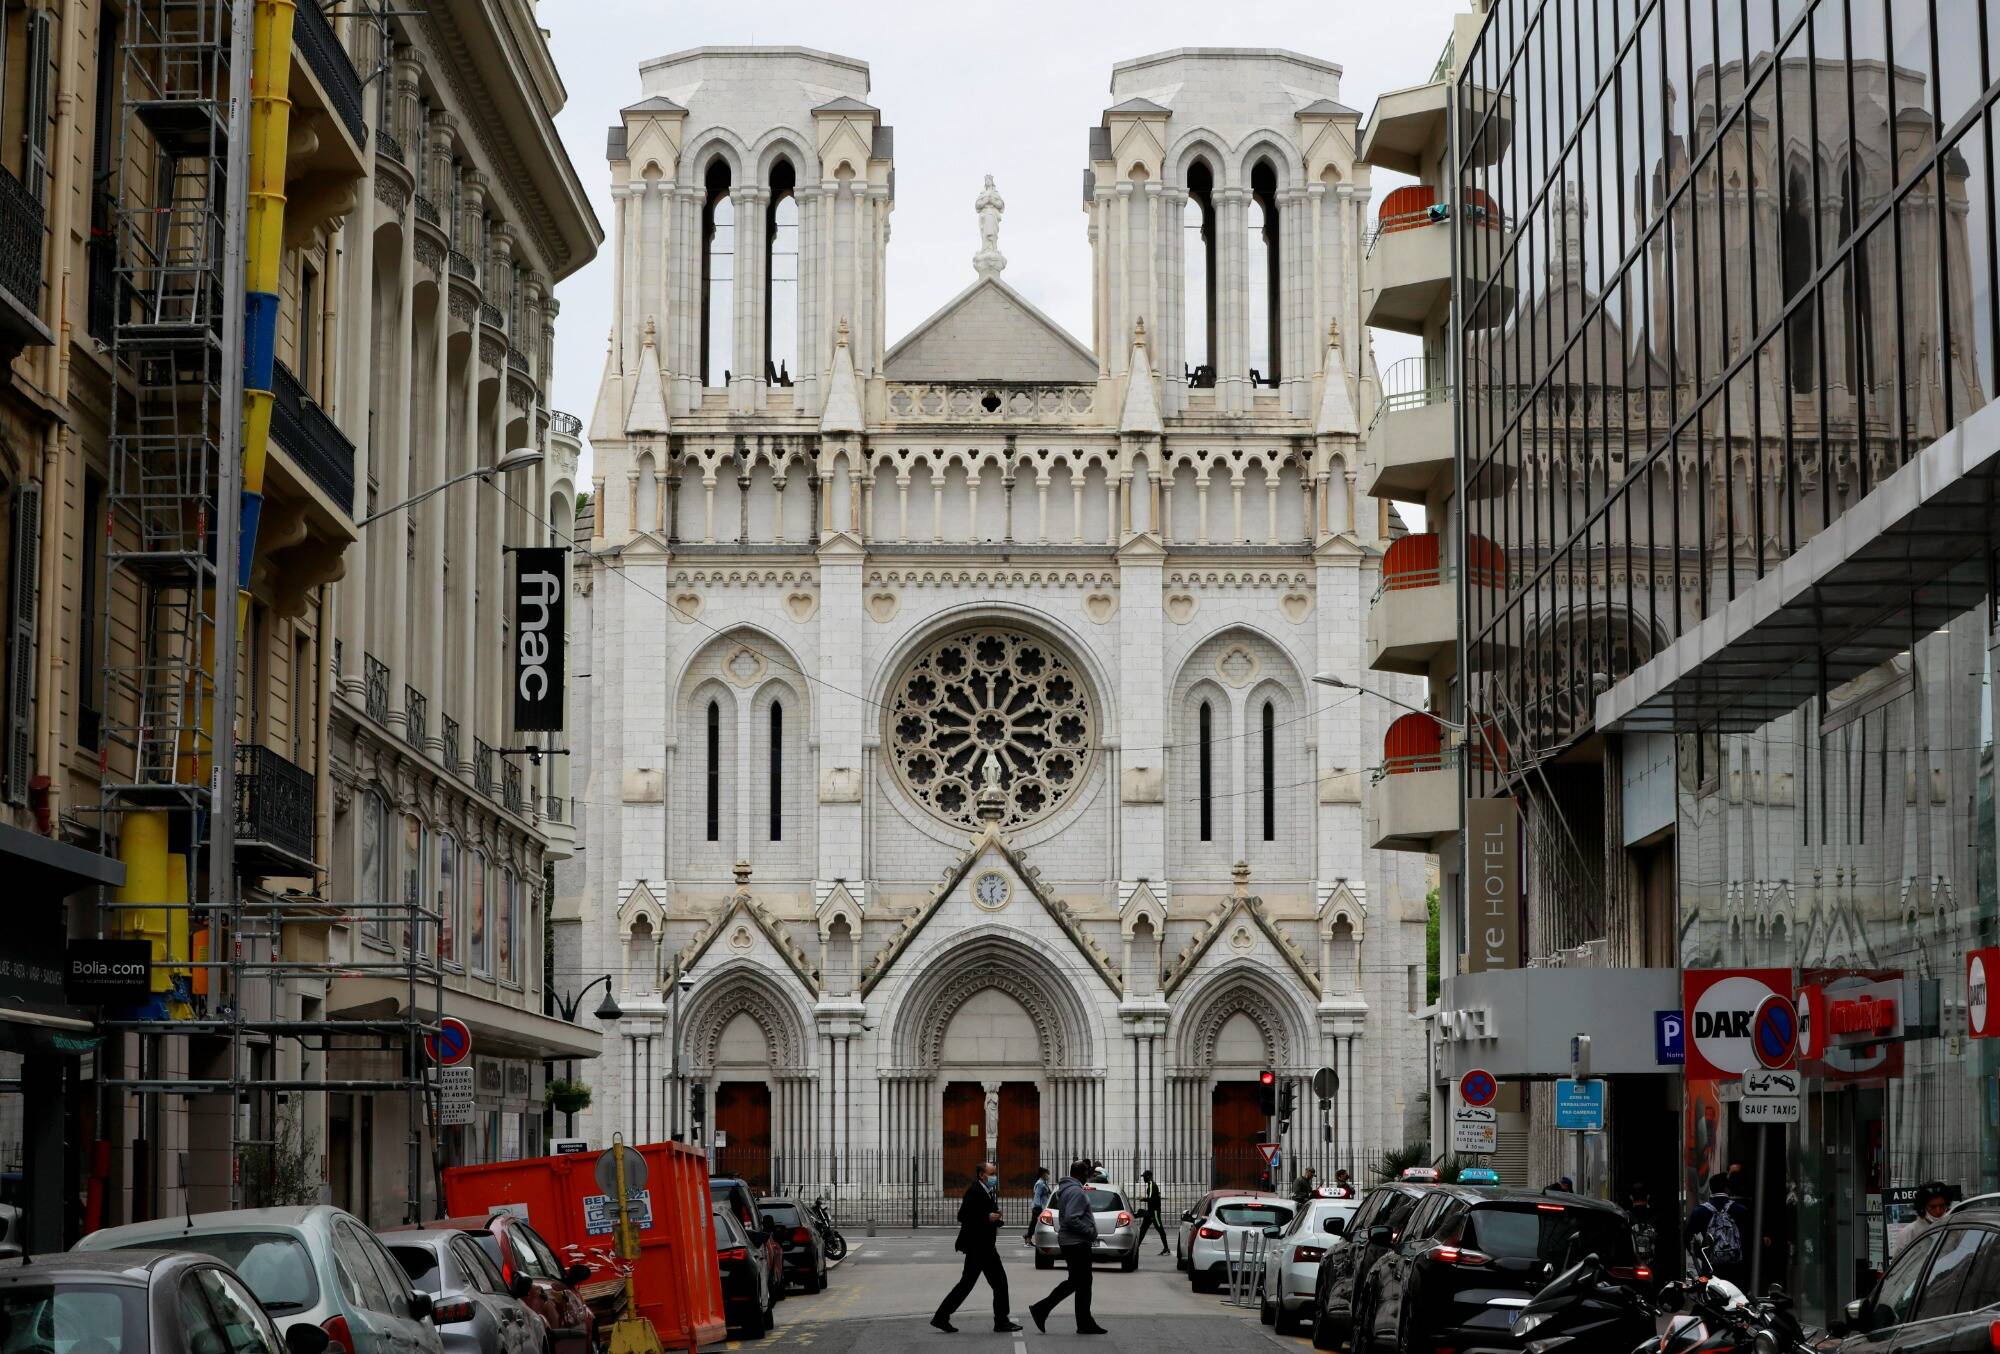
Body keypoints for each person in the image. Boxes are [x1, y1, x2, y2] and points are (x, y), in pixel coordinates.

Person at [933, 1162, 1022, 1334]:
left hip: (983, 1246)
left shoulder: (985, 1191)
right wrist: (987, 1217)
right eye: (992, 1174)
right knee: (997, 1283)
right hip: (980, 1247)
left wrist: (995, 1218)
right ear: (982, 1175)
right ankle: (1001, 1321)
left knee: (970, 1284)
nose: (995, 1177)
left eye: (995, 1173)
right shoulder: (974, 1191)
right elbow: (963, 1216)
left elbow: (981, 1214)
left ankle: (941, 1317)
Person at [1029, 1159, 1108, 1335]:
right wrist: (1089, 1231)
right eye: (1087, 1173)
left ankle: (1081, 1321)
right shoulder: (1076, 1192)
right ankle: (1043, 1309)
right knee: (1081, 1282)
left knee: (1079, 1282)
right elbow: (1072, 1218)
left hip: (1071, 1242)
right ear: (1081, 1174)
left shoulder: (1067, 1189)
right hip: (1076, 1243)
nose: (1088, 1176)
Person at [1683, 1173, 1751, 1289]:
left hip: (1711, 1267)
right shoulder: (1741, 1210)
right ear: (1727, 1188)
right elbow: (1749, 1239)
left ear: (1710, 1189)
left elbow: (1687, 1238)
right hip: (1736, 1268)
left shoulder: (1700, 1211)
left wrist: (1702, 1255)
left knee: (1712, 1295)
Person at [1894, 1182, 1951, 1257]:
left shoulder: (1954, 1228)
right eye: (1932, 1207)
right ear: (1923, 1207)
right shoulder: (1908, 1234)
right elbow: (1898, 1262)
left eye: (1942, 1206)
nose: (1938, 1211)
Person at [1131, 1169, 1170, 1257]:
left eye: (1144, 1177)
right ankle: (1135, 1249)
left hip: (1154, 1212)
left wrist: (1143, 1199)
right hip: (1150, 1212)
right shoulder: (1150, 1185)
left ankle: (1166, 1249)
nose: (1143, 1178)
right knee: (1142, 1230)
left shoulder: (1152, 1185)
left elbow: (1152, 1199)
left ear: (1149, 1177)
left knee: (1160, 1230)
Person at [1024, 1165, 1052, 1243]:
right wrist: (1038, 1206)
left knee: (1035, 1223)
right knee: (1035, 1223)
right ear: (1043, 1174)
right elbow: (1037, 1195)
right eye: (1047, 1174)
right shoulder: (1040, 1184)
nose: (1048, 1175)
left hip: (1042, 1206)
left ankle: (1028, 1237)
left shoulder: (1043, 1183)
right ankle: (1028, 1237)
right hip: (1039, 1207)